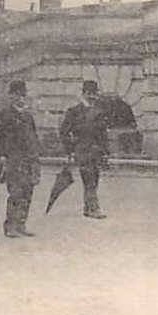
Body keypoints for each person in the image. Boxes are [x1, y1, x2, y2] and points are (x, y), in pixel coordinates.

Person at [0, 80, 42, 238]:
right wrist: (0, 154)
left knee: (27, 194)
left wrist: (35, 158)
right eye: (16, 95)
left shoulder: (28, 117)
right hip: (12, 161)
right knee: (15, 194)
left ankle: (21, 224)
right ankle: (10, 226)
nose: (20, 98)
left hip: (29, 162)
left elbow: (33, 138)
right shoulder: (2, 115)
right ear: (10, 96)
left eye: (23, 95)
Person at [58, 80, 111, 219]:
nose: (92, 97)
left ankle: (88, 208)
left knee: (95, 179)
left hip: (96, 152)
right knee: (89, 179)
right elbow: (63, 132)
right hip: (82, 151)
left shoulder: (100, 112)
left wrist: (105, 152)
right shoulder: (74, 112)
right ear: (83, 94)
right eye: (89, 94)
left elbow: (103, 134)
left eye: (95, 94)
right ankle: (94, 209)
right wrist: (70, 149)